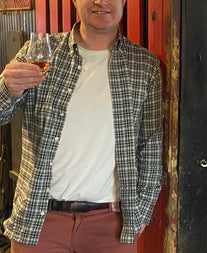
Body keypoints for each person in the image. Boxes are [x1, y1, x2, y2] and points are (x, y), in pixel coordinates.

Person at [0, 0, 163, 252]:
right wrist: (7, 88)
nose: (101, 1)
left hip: (111, 225)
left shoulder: (145, 66)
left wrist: (140, 214)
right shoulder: (39, 53)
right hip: (39, 221)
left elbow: (150, 146)